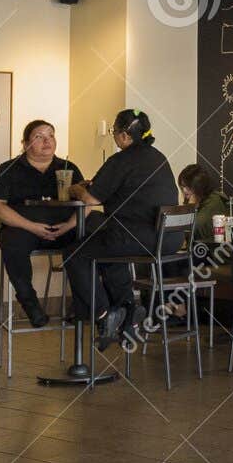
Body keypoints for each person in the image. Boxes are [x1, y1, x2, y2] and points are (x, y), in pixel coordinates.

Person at [65, 109, 177, 348]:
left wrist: (76, 189)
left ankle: (104, 314)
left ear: (125, 136)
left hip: (139, 237)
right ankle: (127, 309)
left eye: (114, 131)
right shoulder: (158, 157)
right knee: (106, 249)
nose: (113, 136)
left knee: (74, 254)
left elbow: (91, 200)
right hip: (169, 240)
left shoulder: (121, 159)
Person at [0, 120, 83, 327]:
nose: (47, 141)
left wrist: (69, 225)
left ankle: (85, 305)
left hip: (64, 229)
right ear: (25, 143)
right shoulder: (9, 169)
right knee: (11, 241)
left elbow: (86, 203)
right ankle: (31, 305)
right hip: (25, 230)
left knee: (91, 234)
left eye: (51, 135)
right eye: (39, 136)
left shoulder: (68, 168)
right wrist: (31, 226)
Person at [177, 164, 228, 248]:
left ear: (199, 185)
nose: (184, 190)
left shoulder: (214, 200)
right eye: (182, 186)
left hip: (213, 252)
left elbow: (195, 225)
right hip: (197, 248)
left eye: (188, 186)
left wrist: (192, 205)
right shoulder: (196, 199)